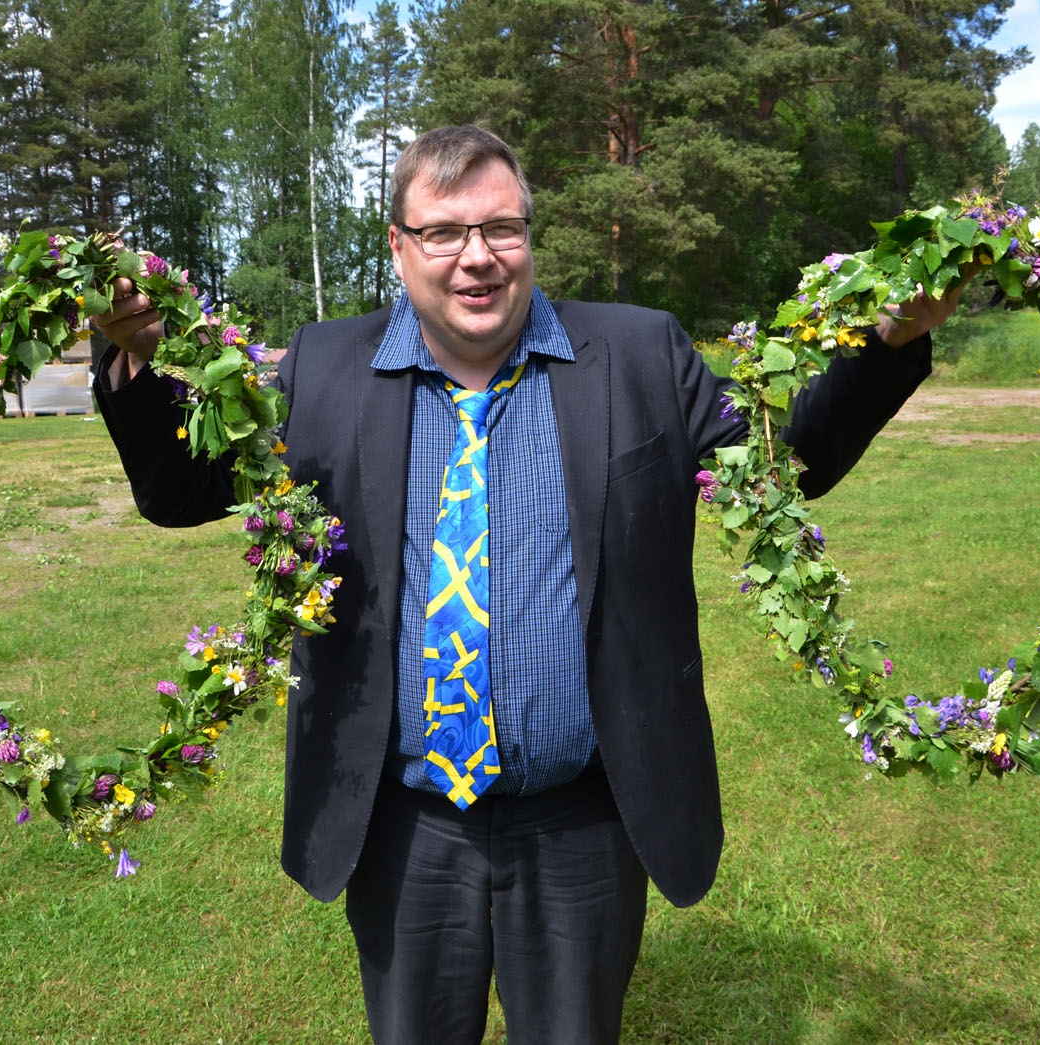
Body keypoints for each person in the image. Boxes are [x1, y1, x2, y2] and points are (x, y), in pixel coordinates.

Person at [93, 124, 961, 1044]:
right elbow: (181, 488)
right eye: (442, 232)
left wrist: (886, 340)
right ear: (398, 246)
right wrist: (135, 361)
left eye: (501, 228)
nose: (477, 257)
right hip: (403, 825)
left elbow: (789, 465)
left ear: (529, 237)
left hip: (582, 820)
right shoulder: (323, 368)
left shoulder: (639, 355)